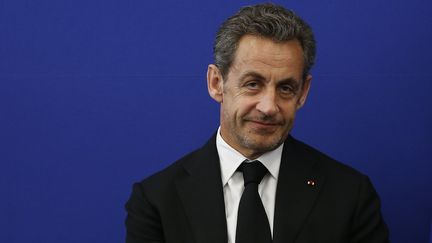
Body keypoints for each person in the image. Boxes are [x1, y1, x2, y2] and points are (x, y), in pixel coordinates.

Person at [125, 3, 389, 243]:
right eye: (253, 84)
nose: (268, 107)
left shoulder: (350, 195)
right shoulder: (156, 200)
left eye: (286, 88)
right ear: (217, 83)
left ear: (303, 92)